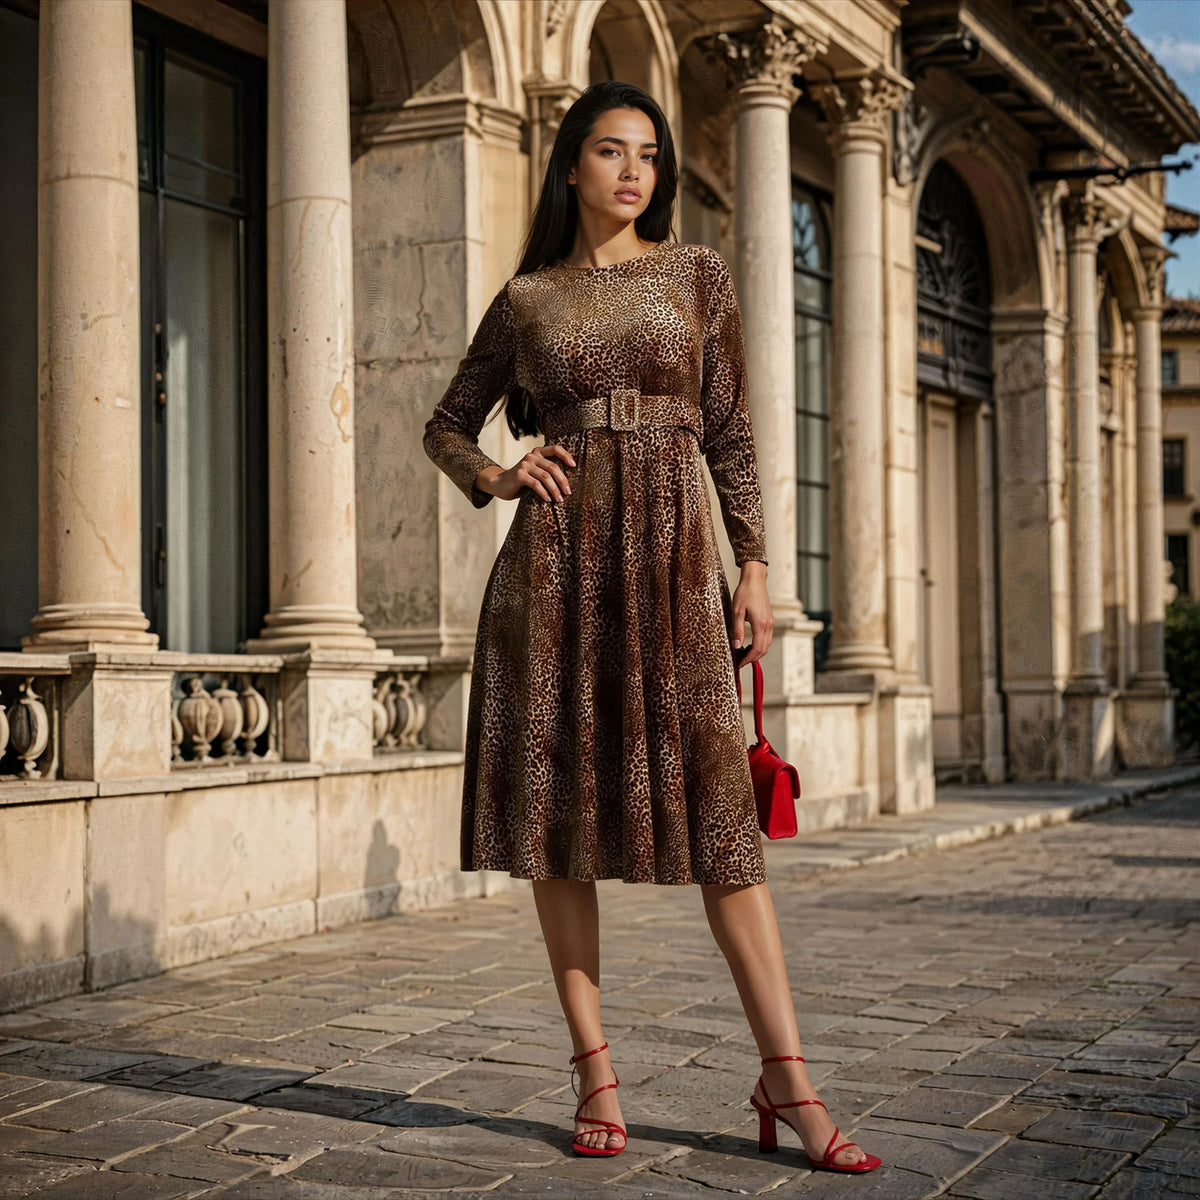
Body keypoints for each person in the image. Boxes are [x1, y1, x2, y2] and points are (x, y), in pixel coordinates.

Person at [422, 80, 879, 1174]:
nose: (634, 170)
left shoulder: (697, 273)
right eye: (611, 151)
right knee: (558, 823)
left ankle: (789, 1082)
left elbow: (729, 428)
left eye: (649, 155)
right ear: (571, 166)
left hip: (678, 569)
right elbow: (446, 423)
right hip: (557, 576)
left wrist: (754, 567)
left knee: (726, 825)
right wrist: (500, 471)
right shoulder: (529, 299)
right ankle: (595, 1071)